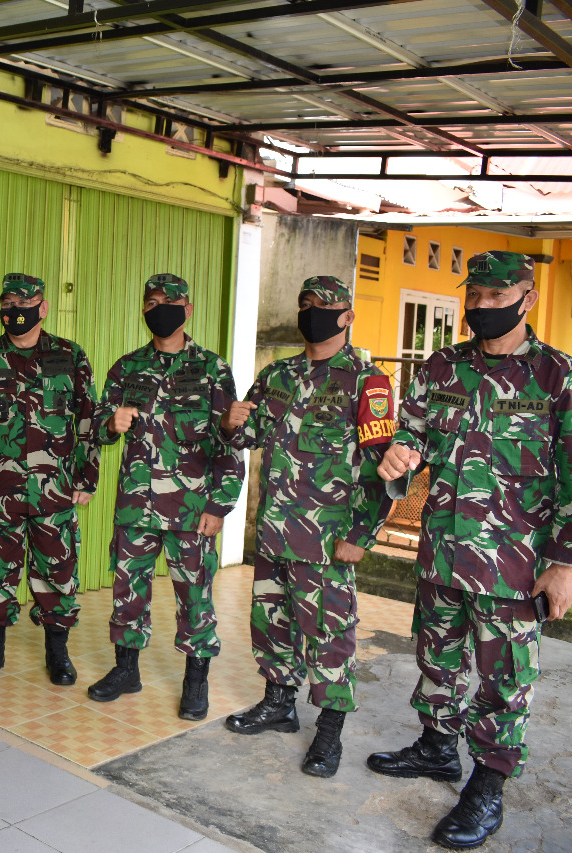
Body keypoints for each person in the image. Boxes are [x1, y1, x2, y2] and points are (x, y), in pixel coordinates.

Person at [368, 251, 572, 849]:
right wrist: (400, 454)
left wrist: (565, 564)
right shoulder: (441, 367)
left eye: (497, 297)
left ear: (528, 298)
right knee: (437, 661)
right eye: (476, 296)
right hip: (442, 552)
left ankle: (488, 784)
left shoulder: (559, 378)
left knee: (504, 681)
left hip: (513, 568)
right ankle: (438, 746)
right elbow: (411, 432)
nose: (483, 307)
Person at [219, 275, 395, 778]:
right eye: (304, 305)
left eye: (323, 306)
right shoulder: (278, 374)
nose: (311, 312)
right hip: (275, 532)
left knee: (330, 635)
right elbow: (243, 437)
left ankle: (330, 730)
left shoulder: (367, 381)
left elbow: (383, 467)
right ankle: (278, 703)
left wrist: (362, 535)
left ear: (348, 316)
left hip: (328, 540)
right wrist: (231, 422)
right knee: (271, 624)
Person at [87, 274, 244, 720]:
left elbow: (230, 439)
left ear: (187, 310)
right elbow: (99, 426)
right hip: (137, 504)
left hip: (192, 507)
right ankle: (126, 670)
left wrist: (219, 505)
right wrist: (109, 424)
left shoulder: (212, 369)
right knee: (127, 591)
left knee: (195, 596)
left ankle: (196, 681)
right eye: (152, 302)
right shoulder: (126, 368)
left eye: (169, 302)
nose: (160, 309)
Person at [0, 273, 99, 685]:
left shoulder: (69, 356)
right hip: (1, 490)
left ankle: (58, 652)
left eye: (23, 304)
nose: (14, 311)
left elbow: (88, 419)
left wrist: (87, 478)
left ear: (42, 308)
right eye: (7, 304)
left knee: (58, 570)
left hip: (56, 491)